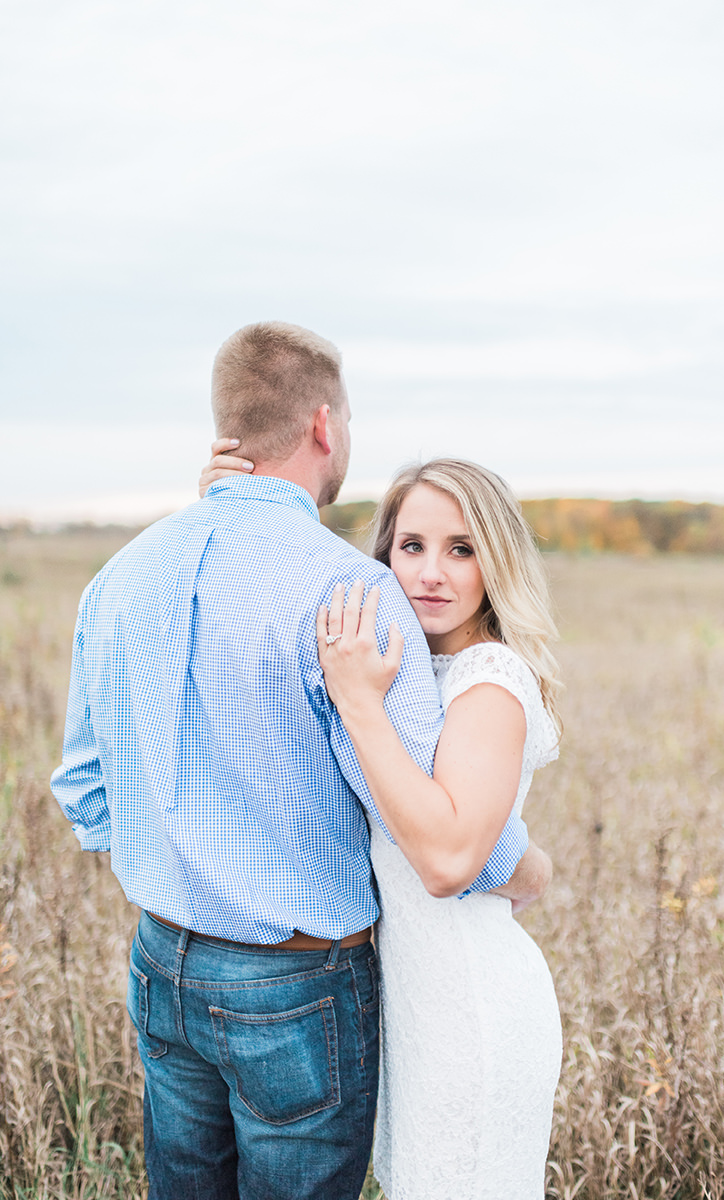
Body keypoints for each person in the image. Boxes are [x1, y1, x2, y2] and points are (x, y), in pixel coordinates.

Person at [51, 322, 545, 1200]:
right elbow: (424, 821)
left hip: (159, 958)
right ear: (325, 425)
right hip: (295, 982)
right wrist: (521, 861)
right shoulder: (353, 598)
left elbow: (85, 788)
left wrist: (180, 865)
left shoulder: (120, 576)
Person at [202, 450, 563, 1199]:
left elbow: (443, 863)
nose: (431, 572)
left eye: (461, 549)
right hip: (409, 1002)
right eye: (412, 546)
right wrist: (234, 500)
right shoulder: (405, 667)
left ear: (495, 560)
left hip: (470, 1006)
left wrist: (359, 703)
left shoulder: (486, 681)